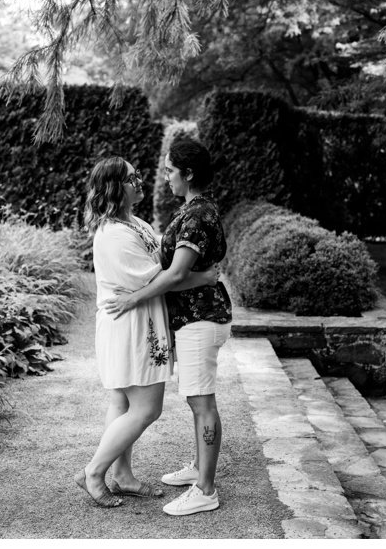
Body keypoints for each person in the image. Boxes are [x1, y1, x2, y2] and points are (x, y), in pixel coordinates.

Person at [76, 157, 218, 508]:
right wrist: (202, 277)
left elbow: (160, 266)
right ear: (113, 187)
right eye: (130, 178)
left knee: (122, 402)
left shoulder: (133, 222)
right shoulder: (113, 233)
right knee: (146, 408)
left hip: (139, 321)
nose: (139, 181)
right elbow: (159, 276)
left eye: (137, 175)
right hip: (130, 326)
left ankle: (122, 476)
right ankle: (93, 472)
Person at [104, 139, 232, 516]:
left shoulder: (195, 215)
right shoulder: (194, 209)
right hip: (195, 318)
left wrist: (133, 298)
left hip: (201, 320)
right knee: (197, 399)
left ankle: (206, 489)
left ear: (188, 173)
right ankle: (198, 468)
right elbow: (189, 272)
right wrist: (205, 277)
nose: (165, 177)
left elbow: (175, 273)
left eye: (170, 171)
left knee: (202, 402)